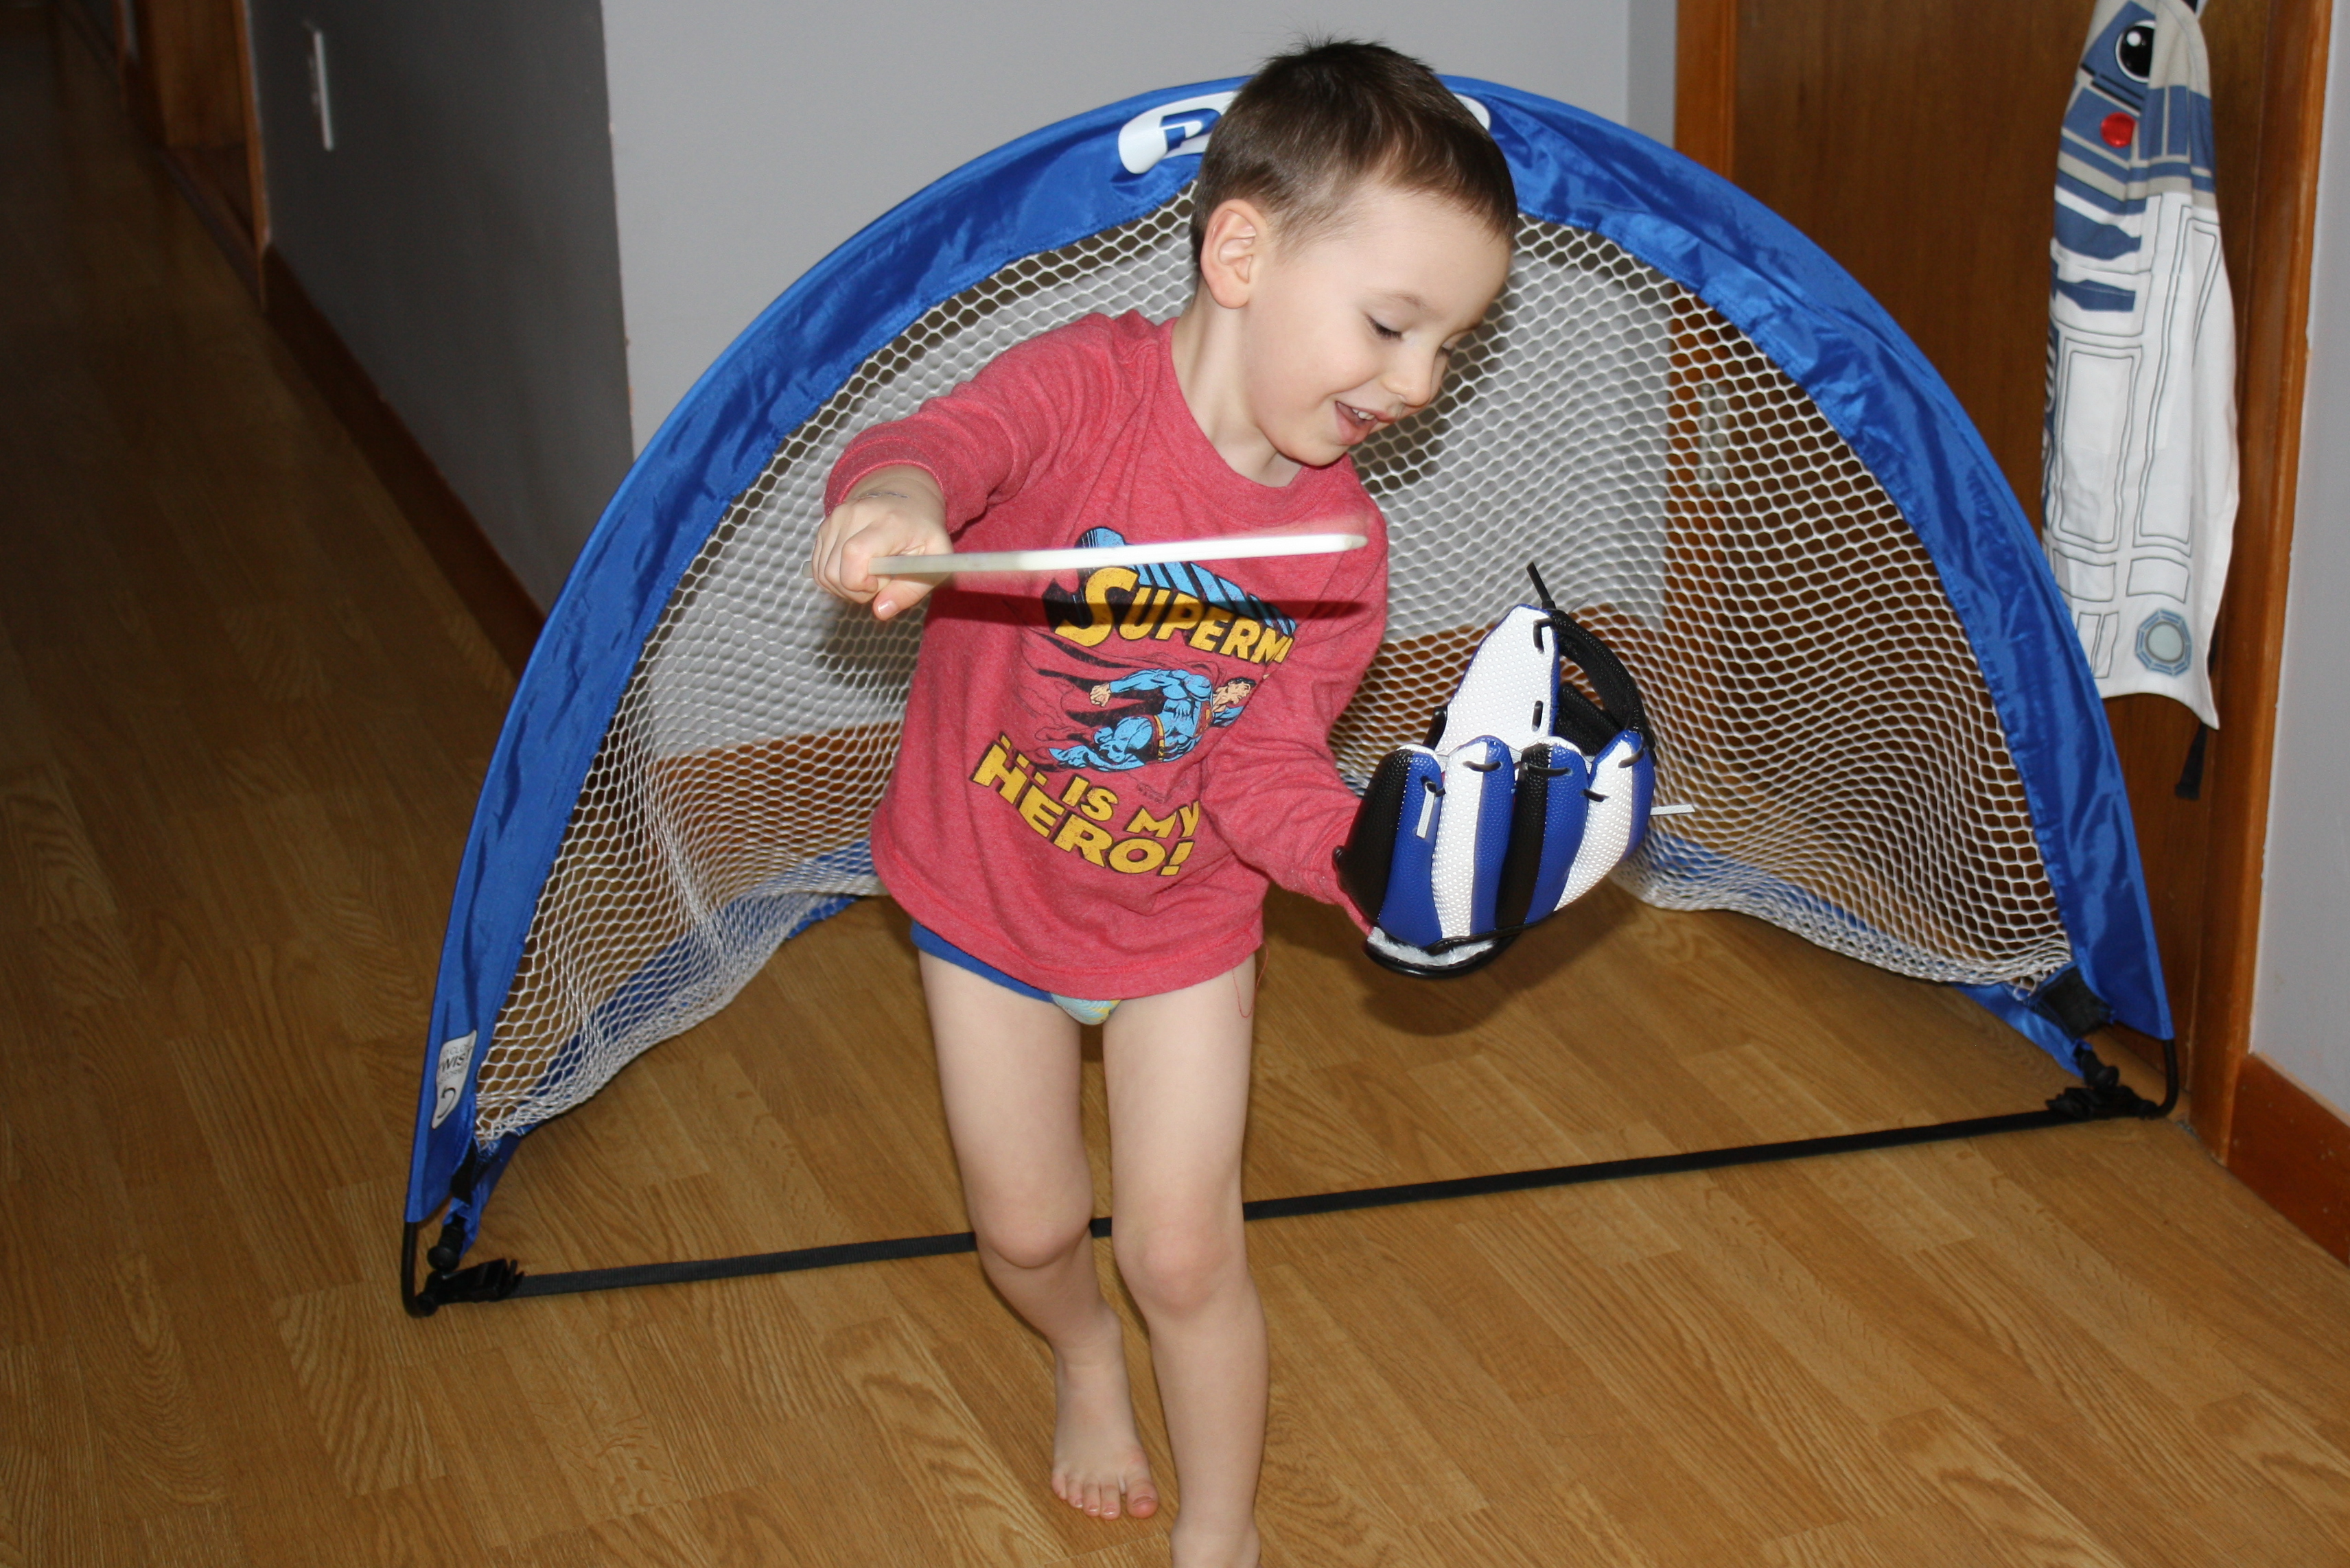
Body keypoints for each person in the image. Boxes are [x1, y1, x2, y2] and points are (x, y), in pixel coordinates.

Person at [808, 39, 1513, 1568]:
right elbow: (937, 447)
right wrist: (899, 499)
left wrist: (1364, 859)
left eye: (1450, 345)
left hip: (1179, 923)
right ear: (1239, 254)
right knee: (1028, 1231)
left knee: (1186, 1255)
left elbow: (1264, 768)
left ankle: (1219, 1531)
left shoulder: (1338, 551)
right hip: (987, 887)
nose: (1417, 382)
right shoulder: (1081, 390)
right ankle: (1081, 1358)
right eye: (1391, 324)